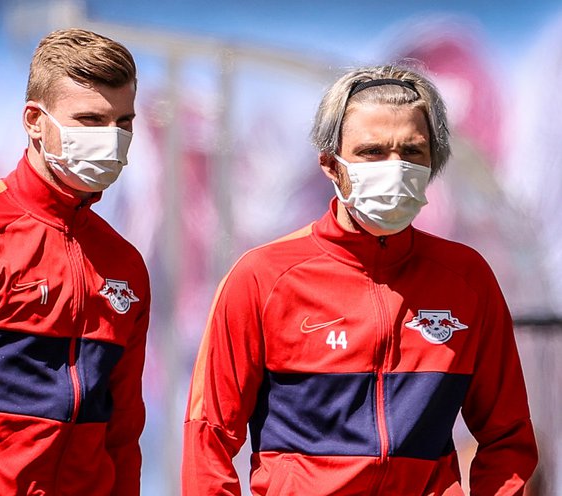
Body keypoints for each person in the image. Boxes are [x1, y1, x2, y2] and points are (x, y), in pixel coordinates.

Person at [182, 65, 538, 495]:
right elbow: (209, 437)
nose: (396, 167)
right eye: (372, 151)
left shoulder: (467, 278)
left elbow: (509, 436)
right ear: (331, 165)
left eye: (412, 151)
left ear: (434, 161)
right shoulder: (262, 277)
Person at [0, 28, 150, 495]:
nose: (112, 140)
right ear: (35, 120)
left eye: (123, 123)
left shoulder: (126, 264)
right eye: (91, 121)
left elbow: (122, 434)